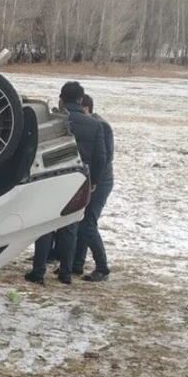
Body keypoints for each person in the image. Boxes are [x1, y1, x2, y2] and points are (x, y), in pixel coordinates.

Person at [26, 81, 106, 286]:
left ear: (61, 97)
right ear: (81, 99)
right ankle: (65, 273)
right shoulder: (95, 124)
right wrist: (94, 181)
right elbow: (101, 157)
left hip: (50, 175)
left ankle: (38, 271)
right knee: (70, 225)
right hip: (79, 178)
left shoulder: (51, 119)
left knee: (45, 224)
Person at [73, 92, 114, 281]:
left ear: (86, 108)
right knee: (82, 220)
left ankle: (102, 267)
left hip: (100, 181)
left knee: (88, 223)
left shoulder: (100, 126)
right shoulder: (92, 125)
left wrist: (94, 181)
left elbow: (104, 158)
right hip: (90, 179)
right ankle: (77, 264)